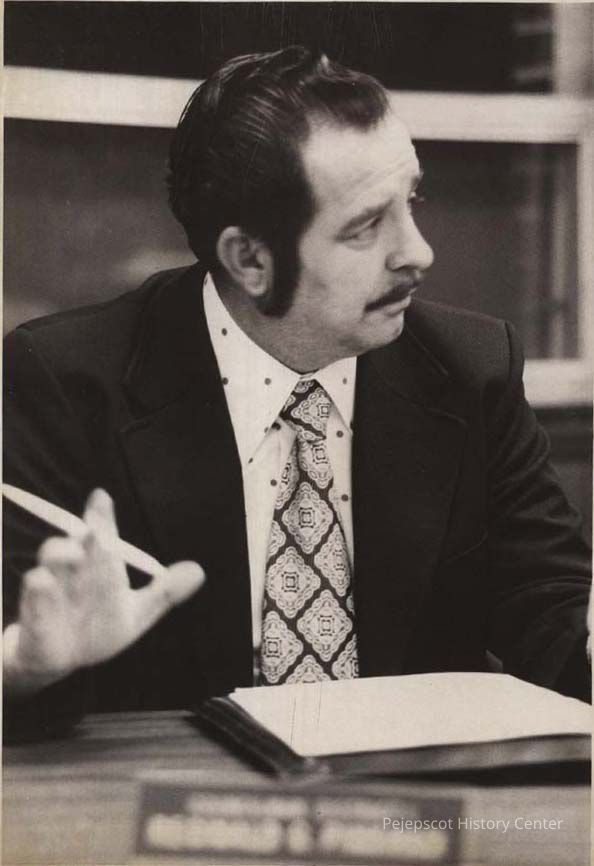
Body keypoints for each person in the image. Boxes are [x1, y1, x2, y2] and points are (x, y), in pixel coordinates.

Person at [3, 47, 591, 739]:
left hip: (414, 791)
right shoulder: (65, 382)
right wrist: (27, 669)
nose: (418, 252)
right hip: (177, 793)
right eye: (365, 227)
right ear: (250, 259)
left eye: (411, 202)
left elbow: (548, 604)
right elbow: (27, 640)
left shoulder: (471, 368)